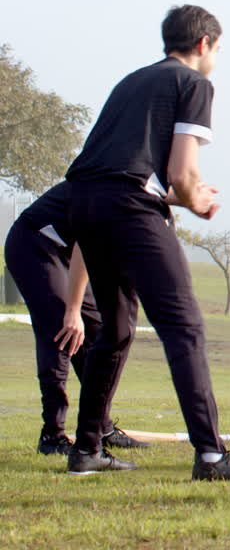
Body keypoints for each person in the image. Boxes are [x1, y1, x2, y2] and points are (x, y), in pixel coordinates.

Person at [63, 4, 230, 480]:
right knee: (185, 328)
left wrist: (180, 193)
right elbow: (181, 172)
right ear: (203, 44)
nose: (217, 58)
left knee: (116, 330)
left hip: (84, 203)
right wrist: (195, 199)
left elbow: (122, 161)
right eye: (218, 49)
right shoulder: (195, 84)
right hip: (128, 209)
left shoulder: (131, 82)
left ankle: (87, 450)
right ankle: (211, 455)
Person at [4, 182, 150, 455]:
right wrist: (72, 310)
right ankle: (52, 435)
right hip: (34, 244)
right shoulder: (112, 189)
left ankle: (101, 427)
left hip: (68, 253)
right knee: (63, 329)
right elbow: (86, 243)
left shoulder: (144, 203)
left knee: (103, 332)